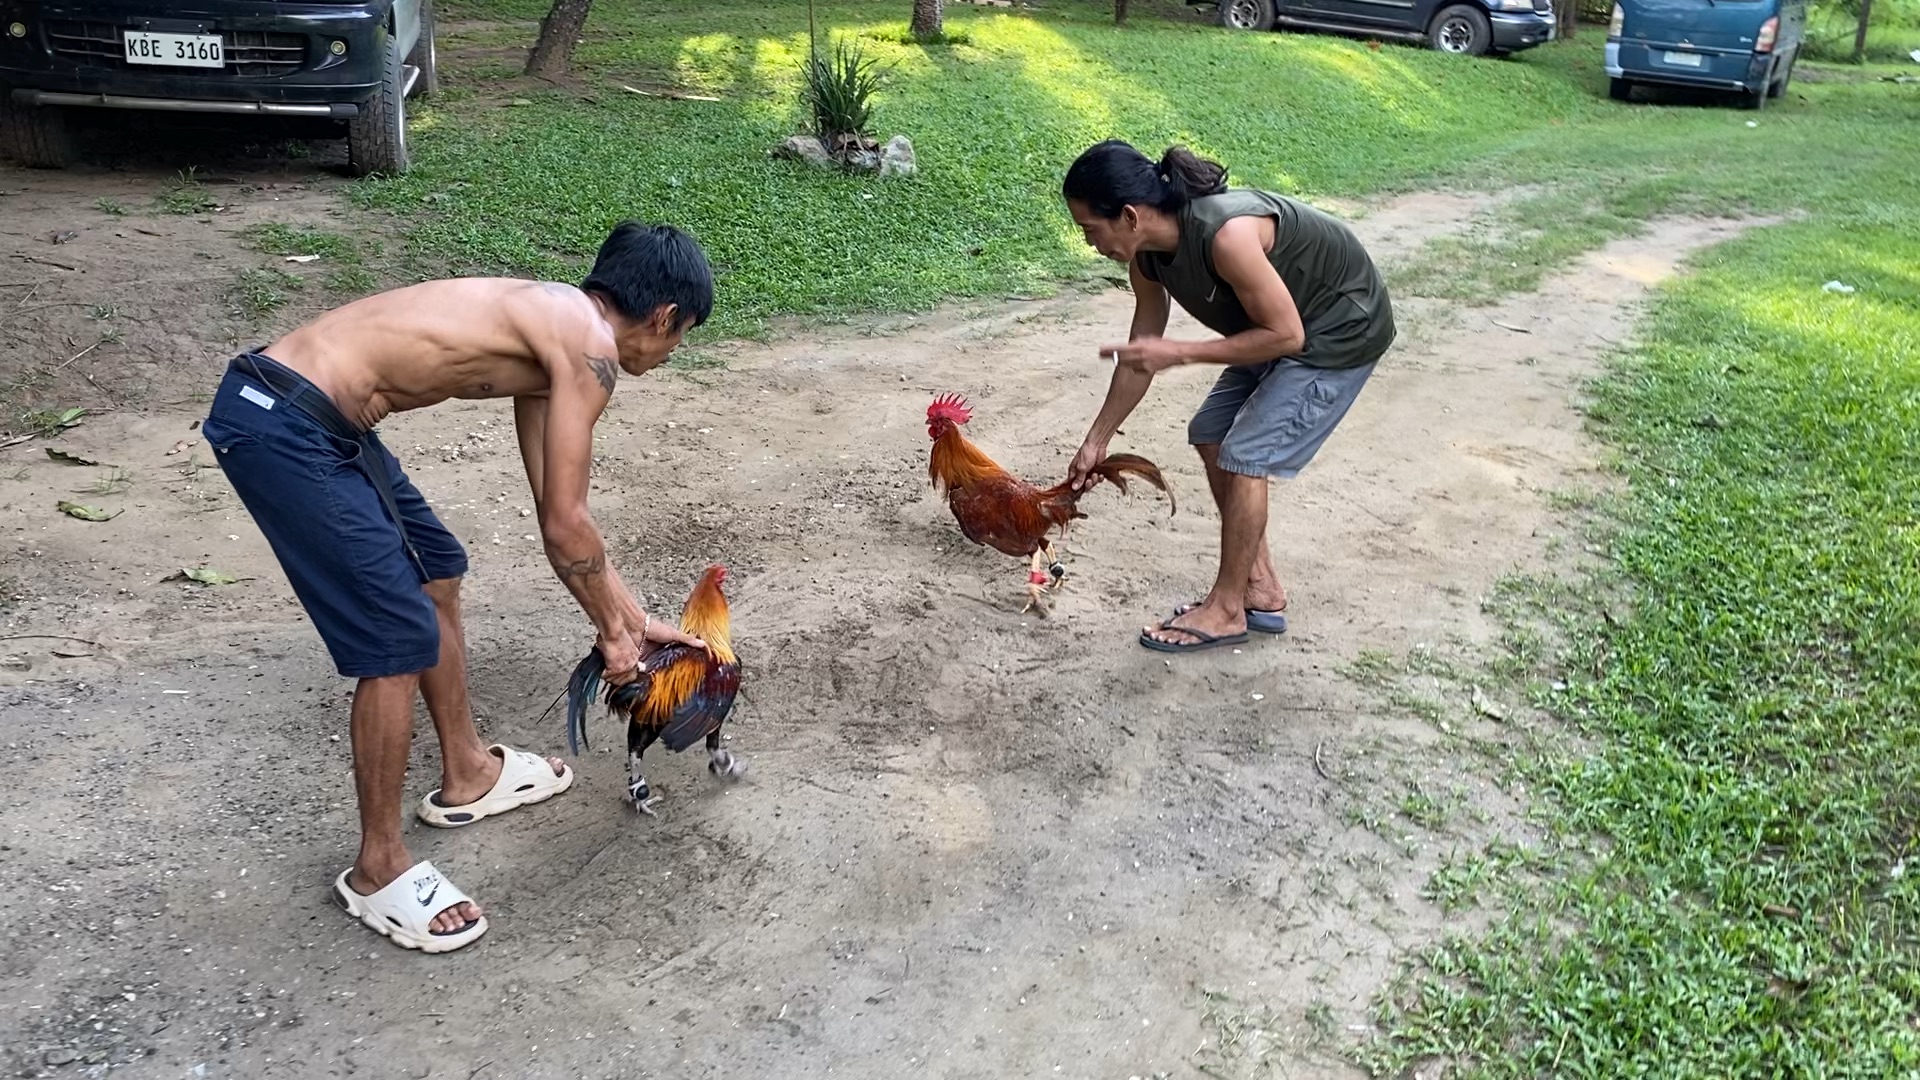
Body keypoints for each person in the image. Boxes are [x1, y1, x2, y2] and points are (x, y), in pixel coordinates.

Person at [199, 221, 715, 953]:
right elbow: (568, 526)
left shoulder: (558, 331)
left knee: (436, 567)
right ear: (664, 317)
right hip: (283, 423)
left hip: (312, 417)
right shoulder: (589, 347)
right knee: (396, 638)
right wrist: (613, 632)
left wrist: (629, 620)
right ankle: (378, 868)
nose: (672, 352)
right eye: (682, 336)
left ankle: (468, 770)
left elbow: (558, 518)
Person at [1060, 140, 1395, 654]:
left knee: (1246, 455)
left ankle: (1227, 609)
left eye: (1090, 229)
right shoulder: (1147, 260)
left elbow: (1287, 336)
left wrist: (1182, 352)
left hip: (1339, 328)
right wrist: (1096, 441)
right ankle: (1259, 587)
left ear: (1128, 215)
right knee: (1211, 433)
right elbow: (1141, 353)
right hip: (1282, 327)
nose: (1089, 243)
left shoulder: (1226, 236)